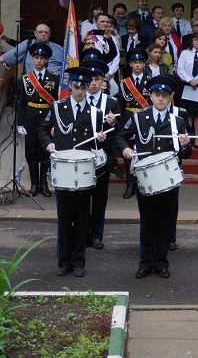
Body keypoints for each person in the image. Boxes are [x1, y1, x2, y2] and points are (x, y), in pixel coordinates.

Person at [117, 75, 193, 279]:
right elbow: (120, 136)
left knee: (165, 222)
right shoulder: (139, 117)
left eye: (165, 96)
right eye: (157, 95)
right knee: (147, 221)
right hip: (146, 178)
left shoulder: (178, 120)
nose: (161, 99)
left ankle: (161, 262)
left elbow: (186, 153)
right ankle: (145, 262)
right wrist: (125, 150)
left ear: (171, 97)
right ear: (150, 96)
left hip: (169, 179)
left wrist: (185, 144)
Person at [39, 67, 108, 277]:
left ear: (88, 87)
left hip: (84, 173)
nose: (80, 91)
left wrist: (101, 139)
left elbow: (99, 142)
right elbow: (42, 129)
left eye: (84, 87)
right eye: (76, 86)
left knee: (81, 219)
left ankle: (79, 261)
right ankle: (63, 261)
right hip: (64, 171)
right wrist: (49, 144)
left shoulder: (95, 113)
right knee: (63, 218)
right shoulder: (58, 107)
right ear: (70, 86)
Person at [80, 58, 122, 250]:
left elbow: (120, 129)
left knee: (99, 197)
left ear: (103, 81)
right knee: (81, 197)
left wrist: (112, 124)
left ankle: (97, 234)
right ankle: (82, 233)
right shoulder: (77, 100)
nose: (94, 83)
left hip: (102, 156)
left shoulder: (111, 102)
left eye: (97, 79)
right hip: (81, 154)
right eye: (90, 79)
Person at [17, 42, 59, 198]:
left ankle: (44, 184)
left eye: (42, 58)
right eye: (36, 58)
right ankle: (34, 184)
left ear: (47, 60)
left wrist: (56, 122)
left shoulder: (54, 78)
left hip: (47, 119)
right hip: (31, 118)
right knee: (31, 151)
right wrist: (19, 123)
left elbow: (56, 102)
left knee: (46, 151)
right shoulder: (26, 79)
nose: (39, 61)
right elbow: (21, 103)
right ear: (32, 59)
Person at [118, 48, 151, 199]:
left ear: (144, 64)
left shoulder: (150, 82)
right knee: (128, 154)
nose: (137, 65)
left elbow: (152, 105)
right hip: (129, 118)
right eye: (134, 62)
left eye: (140, 62)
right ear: (130, 64)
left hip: (145, 119)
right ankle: (130, 184)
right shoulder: (125, 83)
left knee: (144, 151)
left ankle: (143, 183)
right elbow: (122, 106)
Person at [0, 22, 65, 74]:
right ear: (35, 33)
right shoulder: (27, 44)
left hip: (54, 87)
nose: (43, 34)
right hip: (31, 86)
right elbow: (5, 57)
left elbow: (69, 68)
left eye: (46, 32)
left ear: (49, 34)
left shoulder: (59, 49)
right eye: (40, 32)